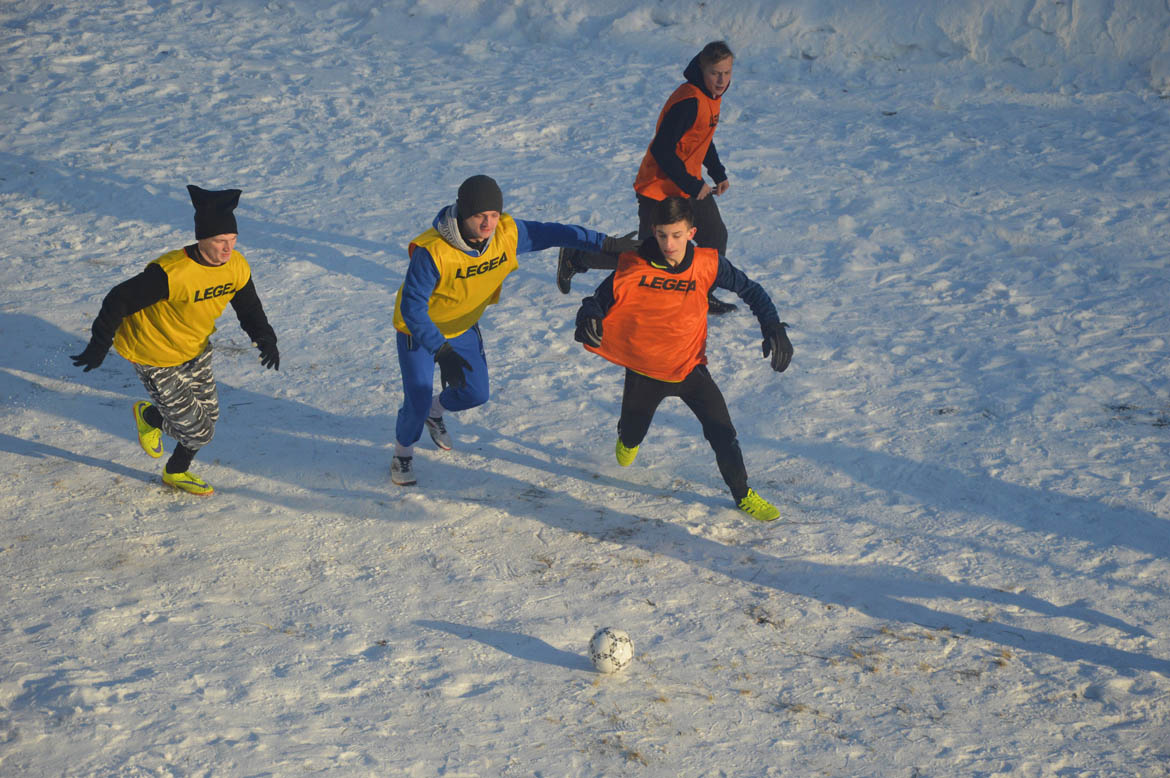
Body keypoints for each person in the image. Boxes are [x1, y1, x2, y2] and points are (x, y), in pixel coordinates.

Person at [390, 174, 638, 486]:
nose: (488, 224)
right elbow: (413, 308)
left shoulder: (507, 234)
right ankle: (403, 453)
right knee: (416, 396)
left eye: (493, 215)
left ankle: (435, 411)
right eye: (480, 216)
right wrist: (440, 350)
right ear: (464, 213)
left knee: (476, 393)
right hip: (419, 331)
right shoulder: (433, 252)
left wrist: (605, 243)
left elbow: (555, 233)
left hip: (463, 327)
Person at [573, 197, 792, 521]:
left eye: (677, 235)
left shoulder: (708, 263)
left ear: (692, 232)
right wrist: (588, 315)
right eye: (662, 235)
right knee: (630, 441)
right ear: (653, 232)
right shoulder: (634, 263)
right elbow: (599, 301)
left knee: (723, 433)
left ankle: (743, 494)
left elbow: (751, 290)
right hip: (644, 371)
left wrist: (772, 325)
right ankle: (627, 434)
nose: (669, 244)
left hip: (690, 368)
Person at [70, 185, 280, 496]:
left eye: (233, 241)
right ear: (202, 239)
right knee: (198, 431)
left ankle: (151, 417)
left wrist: (265, 338)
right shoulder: (173, 273)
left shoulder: (235, 266)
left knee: (209, 416)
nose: (228, 249)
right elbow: (119, 300)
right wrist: (100, 344)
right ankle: (175, 470)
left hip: (195, 349)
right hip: (155, 356)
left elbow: (248, 305)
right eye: (221, 241)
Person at [557, 40, 740, 315]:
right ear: (702, 69)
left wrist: (717, 173)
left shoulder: (711, 98)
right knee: (648, 254)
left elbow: (701, 137)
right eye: (716, 72)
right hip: (660, 188)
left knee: (715, 235)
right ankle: (578, 256)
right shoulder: (689, 100)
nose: (722, 79)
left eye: (726, 73)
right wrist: (693, 184)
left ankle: (702, 293)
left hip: (687, 183)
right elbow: (662, 150)